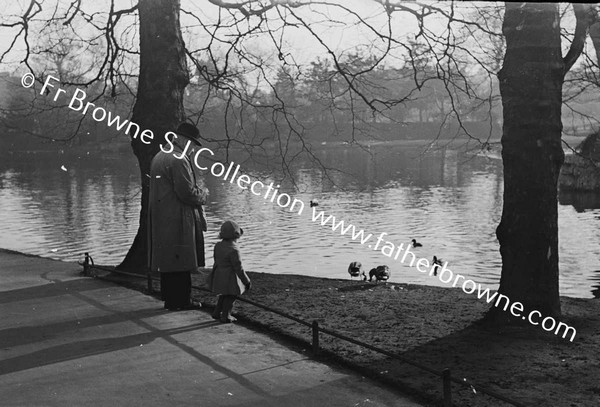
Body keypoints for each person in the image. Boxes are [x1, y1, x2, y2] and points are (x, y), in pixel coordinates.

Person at [148, 121, 208, 311]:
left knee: (169, 261)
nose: (192, 150)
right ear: (185, 141)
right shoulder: (179, 159)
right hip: (178, 217)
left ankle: (170, 299)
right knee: (181, 260)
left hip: (162, 216)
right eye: (192, 145)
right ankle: (181, 301)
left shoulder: (160, 155)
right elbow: (187, 193)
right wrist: (203, 194)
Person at [210, 220, 251, 323]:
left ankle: (217, 312)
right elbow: (239, 268)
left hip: (219, 274)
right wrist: (246, 281)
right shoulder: (234, 250)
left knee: (223, 295)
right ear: (236, 235)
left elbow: (216, 260)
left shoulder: (218, 246)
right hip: (230, 277)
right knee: (231, 296)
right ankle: (226, 315)